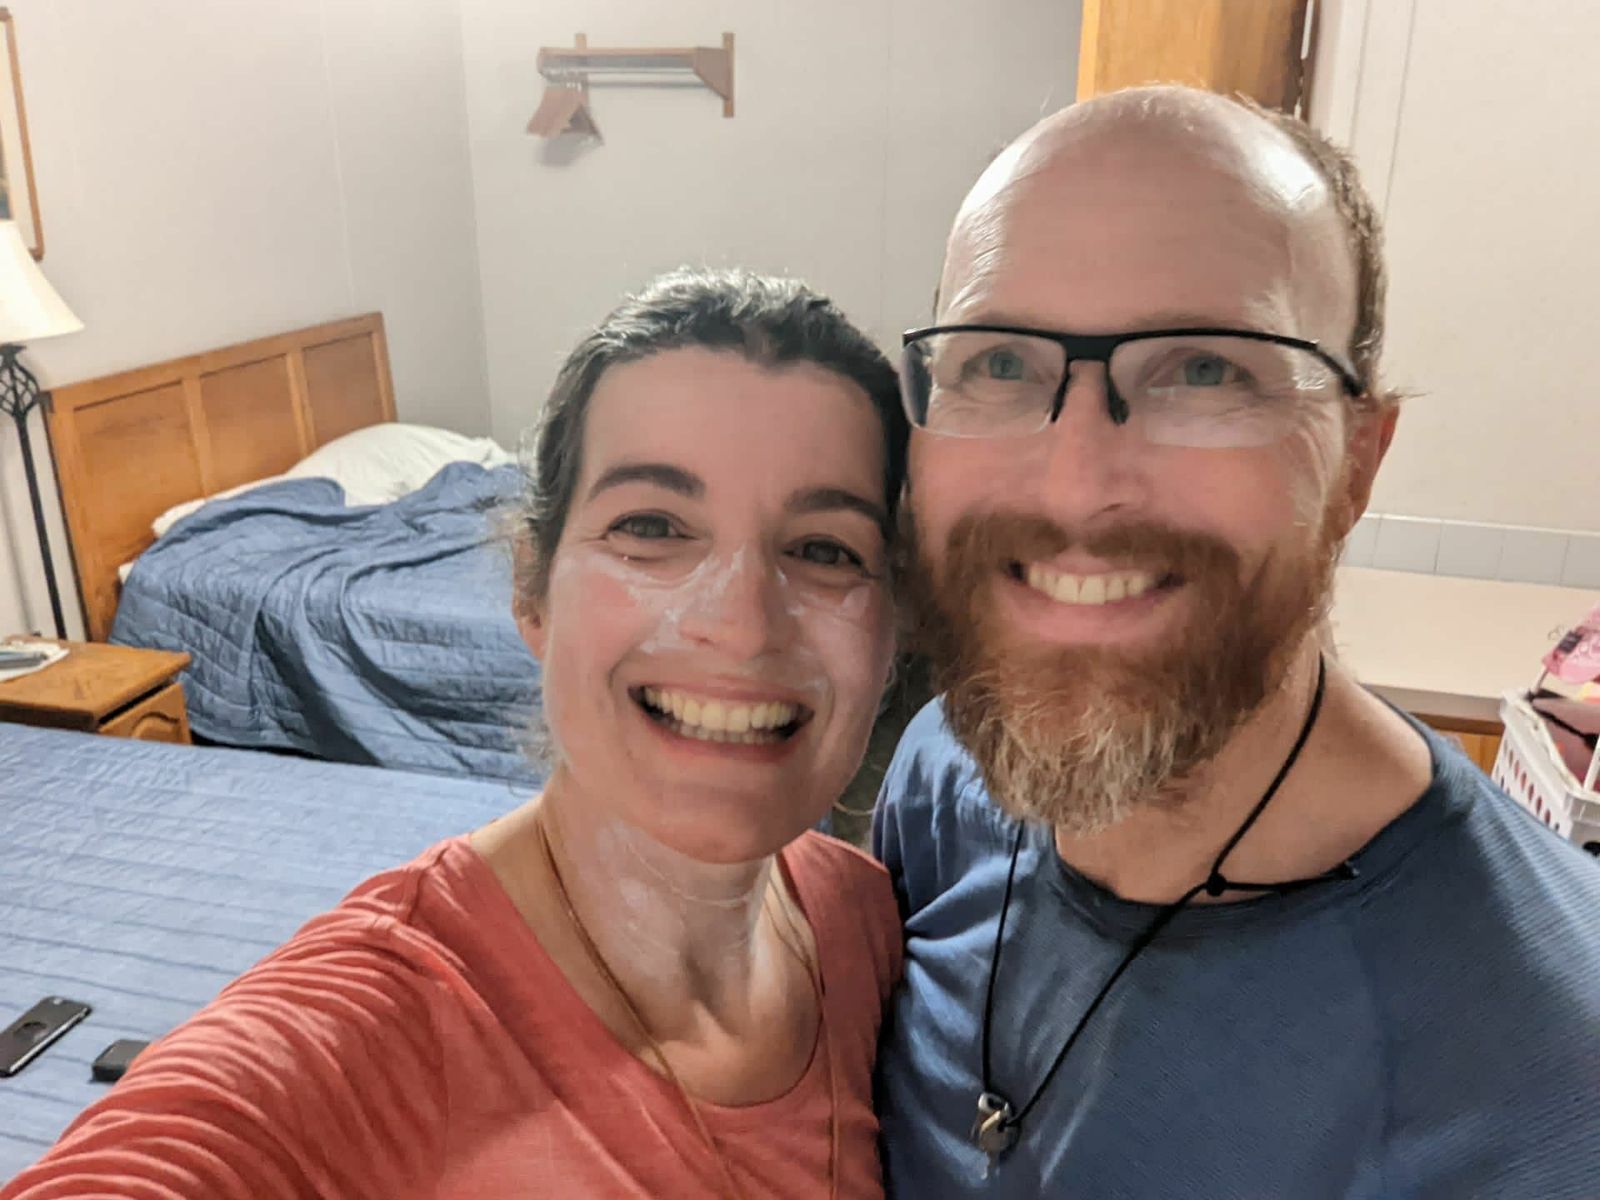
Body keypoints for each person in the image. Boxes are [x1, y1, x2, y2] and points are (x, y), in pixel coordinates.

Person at [6, 268, 909, 1199]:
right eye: (650, 526)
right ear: (531, 589)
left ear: (894, 626)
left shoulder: (861, 917)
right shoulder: (372, 1030)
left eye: (825, 549)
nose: (745, 624)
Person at [873, 85, 1600, 1197]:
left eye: (1206, 369)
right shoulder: (941, 780)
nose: (1074, 485)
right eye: (999, 363)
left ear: (1355, 464)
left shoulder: (1550, 1089)